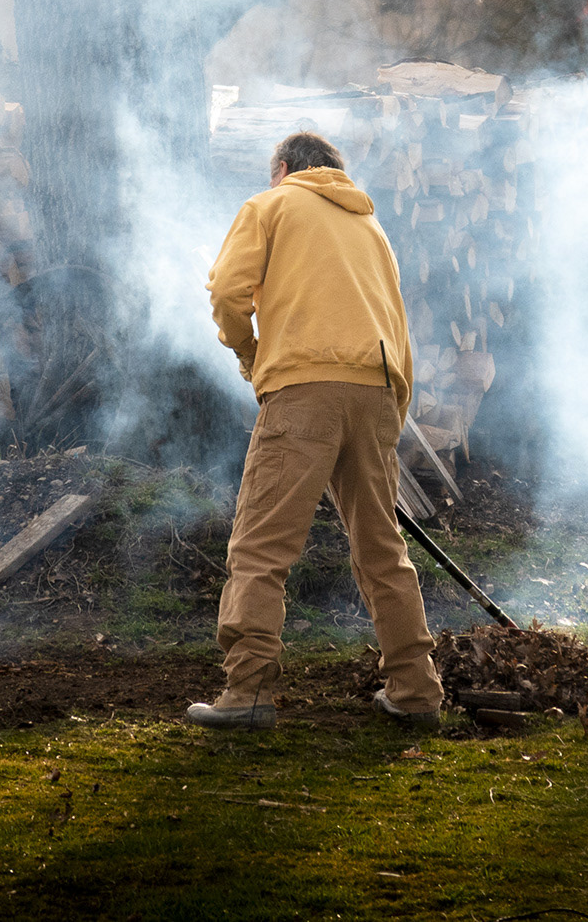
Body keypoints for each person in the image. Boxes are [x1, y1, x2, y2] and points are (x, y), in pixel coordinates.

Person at [190, 130, 444, 731]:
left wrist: (250, 356)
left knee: (260, 546)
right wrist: (390, 413)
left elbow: (227, 291)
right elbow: (398, 327)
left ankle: (248, 690)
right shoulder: (371, 229)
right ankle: (415, 690)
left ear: (283, 168)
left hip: (304, 390)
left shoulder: (270, 204)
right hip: (377, 392)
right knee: (382, 549)